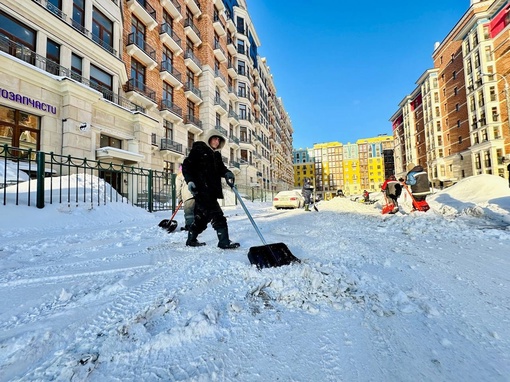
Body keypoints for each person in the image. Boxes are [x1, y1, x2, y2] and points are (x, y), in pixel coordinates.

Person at [182, 130, 239, 249]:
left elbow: (221, 169)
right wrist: (190, 181)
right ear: (209, 138)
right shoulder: (199, 150)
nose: (217, 142)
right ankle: (224, 242)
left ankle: (191, 239)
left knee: (203, 218)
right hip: (201, 190)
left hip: (211, 192)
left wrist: (228, 173)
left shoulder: (216, 155)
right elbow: (187, 166)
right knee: (218, 215)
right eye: (215, 138)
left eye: (219, 140)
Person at [175, 165, 195, 231]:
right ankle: (196, 226)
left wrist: (180, 198)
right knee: (195, 212)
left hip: (188, 196)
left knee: (189, 213)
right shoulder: (192, 173)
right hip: (196, 195)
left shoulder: (179, 176)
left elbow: (178, 188)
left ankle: (189, 227)